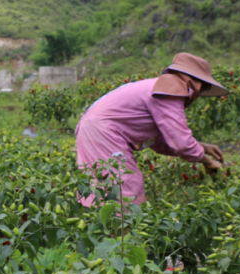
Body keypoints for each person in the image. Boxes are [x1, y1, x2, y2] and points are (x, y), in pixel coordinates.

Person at [76, 53, 228, 206]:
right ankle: (121, 229)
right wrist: (207, 161)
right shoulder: (170, 90)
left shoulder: (161, 88)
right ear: (197, 83)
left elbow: (161, 141)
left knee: (101, 184)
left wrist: (202, 148)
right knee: (125, 186)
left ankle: (96, 225)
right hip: (103, 130)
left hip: (95, 127)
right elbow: (181, 144)